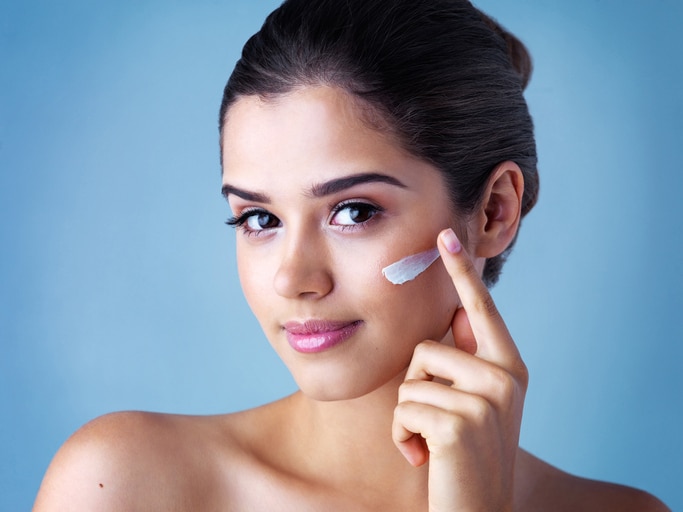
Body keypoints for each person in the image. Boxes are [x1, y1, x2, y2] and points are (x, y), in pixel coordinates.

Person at [33, 0, 670, 510]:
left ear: (493, 212)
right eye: (259, 218)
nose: (292, 277)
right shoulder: (121, 485)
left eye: (353, 212)